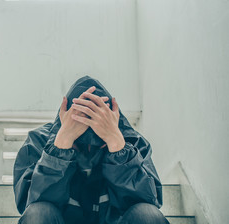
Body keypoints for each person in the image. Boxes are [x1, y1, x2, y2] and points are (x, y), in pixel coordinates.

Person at [13, 75, 169, 224]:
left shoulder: (132, 141)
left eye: (98, 144)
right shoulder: (39, 140)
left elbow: (149, 202)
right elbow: (29, 205)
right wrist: (61, 144)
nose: (88, 151)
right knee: (38, 213)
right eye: (78, 144)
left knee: (147, 214)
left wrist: (116, 145)